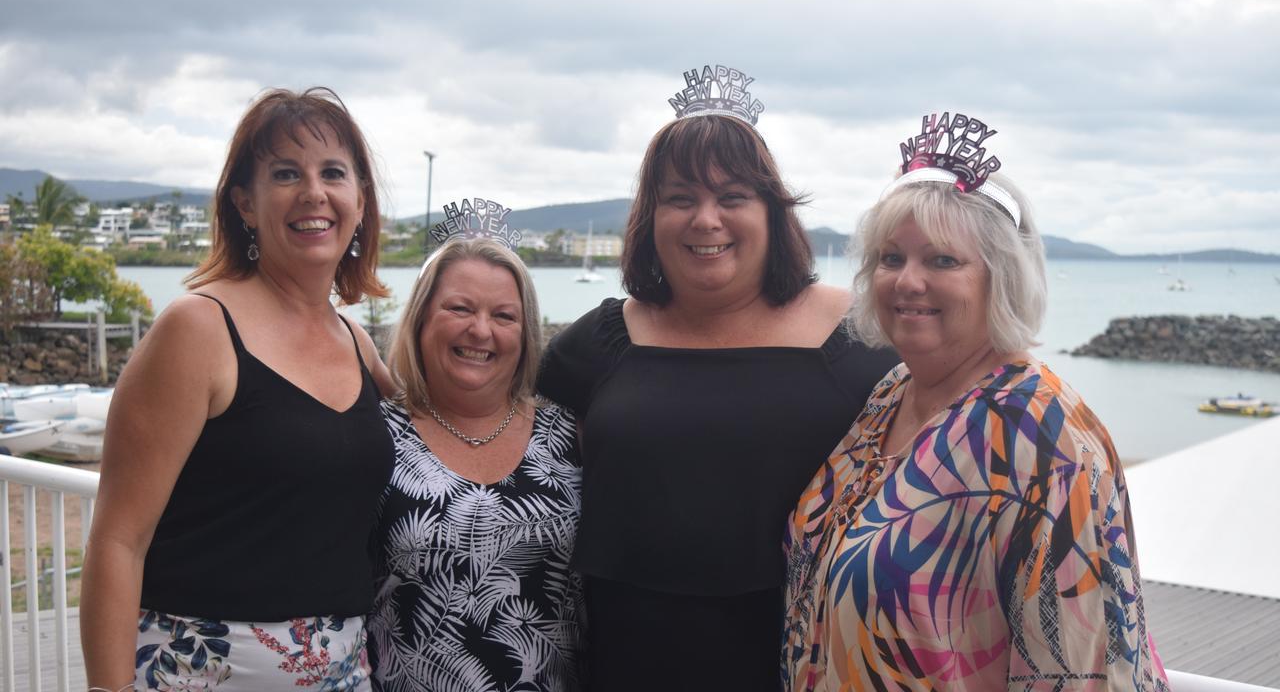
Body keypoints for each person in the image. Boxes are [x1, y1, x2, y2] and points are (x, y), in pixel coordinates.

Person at [537, 66, 899, 690]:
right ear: (651, 218)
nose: (707, 219)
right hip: (629, 659)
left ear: (772, 212)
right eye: (680, 198)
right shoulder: (596, 345)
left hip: (799, 660)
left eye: (733, 197)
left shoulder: (858, 333)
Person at [782, 113, 1169, 690]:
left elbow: (1081, 668)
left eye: (942, 260)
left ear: (1001, 278)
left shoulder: (1043, 433)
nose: (907, 281)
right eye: (891, 258)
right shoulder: (892, 393)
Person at [80, 87, 394, 691]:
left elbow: (436, 422)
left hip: (339, 672)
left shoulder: (357, 343)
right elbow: (118, 540)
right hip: (193, 673)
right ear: (245, 204)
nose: (313, 192)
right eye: (285, 173)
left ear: (359, 201)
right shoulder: (197, 330)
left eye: (333, 172)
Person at [368, 226, 584, 692]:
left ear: (525, 334)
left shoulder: (569, 433)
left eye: (503, 316)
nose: (480, 330)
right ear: (422, 318)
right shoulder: (375, 436)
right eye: (459, 308)